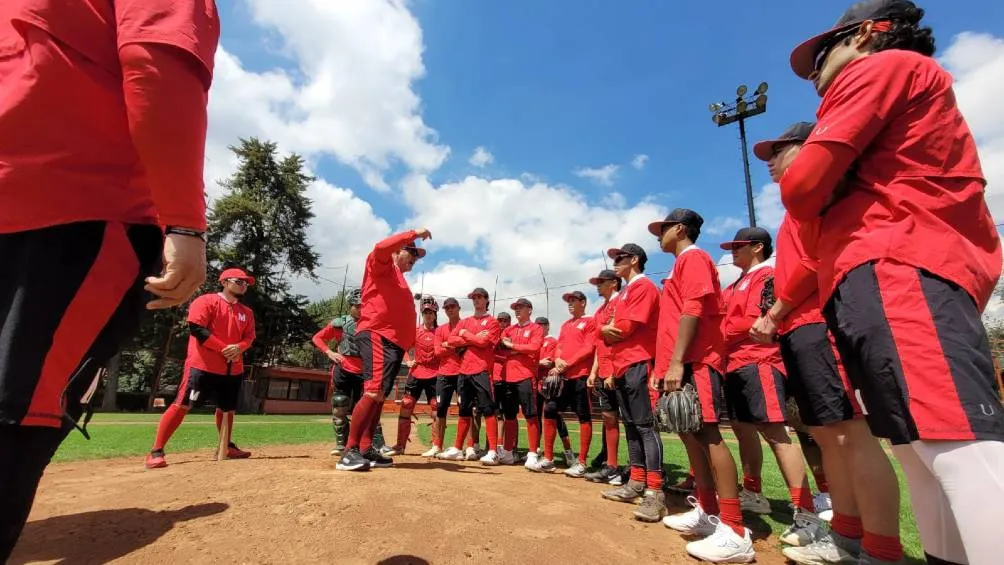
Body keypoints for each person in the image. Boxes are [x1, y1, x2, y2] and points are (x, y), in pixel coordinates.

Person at [784, 1, 1004, 563]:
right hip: (879, 269)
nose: (815, 73)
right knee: (916, 450)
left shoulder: (884, 65)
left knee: (957, 445)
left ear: (865, 34)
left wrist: (817, 181)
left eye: (823, 54)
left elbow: (801, 188)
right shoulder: (891, 77)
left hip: (898, 261)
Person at [0, 0, 219, 558]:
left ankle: (222, 447)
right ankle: (156, 450)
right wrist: (184, 220)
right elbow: (156, 62)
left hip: (24, 188)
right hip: (72, 207)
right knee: (17, 414)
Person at [750, 122, 902, 564]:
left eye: (780, 150)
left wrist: (775, 311)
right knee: (826, 434)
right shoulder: (793, 208)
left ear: (809, 148)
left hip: (817, 321)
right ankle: (846, 536)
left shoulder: (817, 195)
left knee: (850, 433)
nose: (771, 161)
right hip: (798, 327)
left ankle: (881, 549)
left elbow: (814, 260)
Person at [648, 211, 754, 563]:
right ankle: (708, 512)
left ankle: (735, 530)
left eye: (663, 229)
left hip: (698, 358)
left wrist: (678, 361)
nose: (658, 235)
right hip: (681, 361)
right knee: (691, 434)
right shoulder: (680, 263)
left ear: (680, 229)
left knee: (708, 434)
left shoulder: (693, 257)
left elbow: (693, 310)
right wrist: (664, 366)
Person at [718, 227, 821, 547]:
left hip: (760, 359)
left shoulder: (768, 274)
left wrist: (719, 332)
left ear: (758, 247)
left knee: (775, 431)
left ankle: (806, 511)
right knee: (742, 429)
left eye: (739, 245)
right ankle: (753, 492)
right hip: (735, 362)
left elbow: (751, 321)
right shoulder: (735, 283)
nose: (733, 250)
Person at [335, 228, 430, 472]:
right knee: (373, 391)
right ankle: (349, 451)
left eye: (417, 256)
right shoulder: (381, 265)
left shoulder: (399, 279)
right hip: (377, 334)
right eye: (412, 253)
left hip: (394, 343)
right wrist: (413, 234)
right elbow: (380, 248)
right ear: (398, 251)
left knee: (379, 397)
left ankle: (366, 447)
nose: (414, 259)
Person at [146, 268, 257, 468]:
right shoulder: (205, 301)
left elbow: (249, 337)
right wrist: (224, 348)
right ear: (224, 282)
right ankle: (156, 451)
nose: (243, 286)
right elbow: (197, 329)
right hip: (202, 366)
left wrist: (239, 348)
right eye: (239, 281)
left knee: (227, 409)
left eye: (246, 283)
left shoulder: (246, 312)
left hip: (233, 368)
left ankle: (226, 446)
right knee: (182, 405)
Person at [598, 244, 664, 522]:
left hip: (640, 362)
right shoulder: (626, 292)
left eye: (620, 257)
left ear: (634, 259)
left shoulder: (643, 286)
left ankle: (655, 491)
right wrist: (605, 329)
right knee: (631, 426)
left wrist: (606, 329)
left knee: (645, 427)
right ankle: (636, 481)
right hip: (623, 365)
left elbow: (623, 329)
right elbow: (606, 333)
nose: (615, 261)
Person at [437, 288, 510, 464]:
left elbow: (484, 342)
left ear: (486, 300)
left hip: (482, 370)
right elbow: (451, 340)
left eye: (479, 297)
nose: (476, 300)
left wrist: (465, 335)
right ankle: (457, 448)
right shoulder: (466, 321)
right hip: (464, 371)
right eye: (474, 298)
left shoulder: (492, 322)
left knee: (488, 410)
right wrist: (472, 337)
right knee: (464, 410)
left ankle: (492, 451)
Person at [310, 288, 385, 455]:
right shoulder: (339, 324)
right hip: (343, 369)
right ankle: (342, 444)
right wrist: (329, 352)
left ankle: (375, 444)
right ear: (350, 306)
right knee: (339, 405)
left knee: (369, 408)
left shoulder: (374, 324)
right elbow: (317, 338)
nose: (360, 309)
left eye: (363, 306)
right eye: (357, 306)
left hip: (365, 372)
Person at [532, 292, 595, 476]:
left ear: (583, 302)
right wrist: (558, 359)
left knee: (583, 416)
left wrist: (568, 363)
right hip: (564, 378)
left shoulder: (590, 321)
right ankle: (548, 459)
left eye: (573, 300)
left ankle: (581, 463)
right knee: (550, 409)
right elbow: (559, 347)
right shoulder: (566, 324)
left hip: (581, 375)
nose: (569, 303)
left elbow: (589, 347)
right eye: (568, 301)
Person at [387, 296, 441, 456]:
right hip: (416, 372)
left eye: (431, 312)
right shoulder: (415, 331)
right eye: (426, 312)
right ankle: (400, 445)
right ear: (422, 314)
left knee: (436, 408)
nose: (428, 315)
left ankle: (436, 446)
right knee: (406, 404)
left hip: (435, 374)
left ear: (435, 314)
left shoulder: (441, 332)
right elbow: (403, 347)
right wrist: (408, 361)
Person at [584, 270, 623, 484]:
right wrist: (594, 371)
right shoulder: (600, 310)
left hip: (620, 370)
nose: (598, 285)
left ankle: (645, 470)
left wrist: (614, 371)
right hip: (603, 372)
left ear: (614, 283)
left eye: (602, 282)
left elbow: (619, 339)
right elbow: (600, 344)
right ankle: (612, 466)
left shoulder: (622, 302)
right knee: (609, 419)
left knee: (636, 423)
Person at [498, 299, 543, 467]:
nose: (517, 310)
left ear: (529, 310)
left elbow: (535, 347)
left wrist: (513, 347)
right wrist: (517, 349)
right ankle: (508, 452)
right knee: (509, 416)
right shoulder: (509, 329)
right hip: (508, 377)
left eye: (520, 307)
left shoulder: (536, 328)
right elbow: (502, 346)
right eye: (515, 308)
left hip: (526, 376)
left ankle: (532, 454)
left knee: (530, 415)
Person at [533, 317, 576, 466]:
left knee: (555, 417)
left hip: (550, 384)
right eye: (537, 325)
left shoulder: (552, 341)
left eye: (542, 325)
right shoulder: (535, 341)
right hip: (536, 383)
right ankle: (536, 450)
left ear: (547, 326)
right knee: (536, 418)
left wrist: (536, 363)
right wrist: (537, 363)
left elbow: (549, 361)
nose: (539, 328)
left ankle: (568, 451)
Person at [428, 297, 464, 457]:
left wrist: (446, 344)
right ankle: (437, 445)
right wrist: (455, 346)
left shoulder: (465, 325)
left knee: (466, 409)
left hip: (463, 373)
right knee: (440, 409)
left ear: (458, 308)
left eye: (452, 307)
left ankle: (469, 447)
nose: (450, 310)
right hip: (444, 374)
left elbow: (467, 346)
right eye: (447, 308)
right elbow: (437, 351)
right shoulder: (440, 329)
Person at [491, 311, 512, 456]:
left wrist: (497, 357)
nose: (502, 323)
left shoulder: (511, 336)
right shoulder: (494, 336)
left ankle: (509, 447)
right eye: (500, 320)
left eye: (505, 321)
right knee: (493, 413)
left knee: (508, 414)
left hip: (507, 379)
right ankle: (492, 446)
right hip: (493, 379)